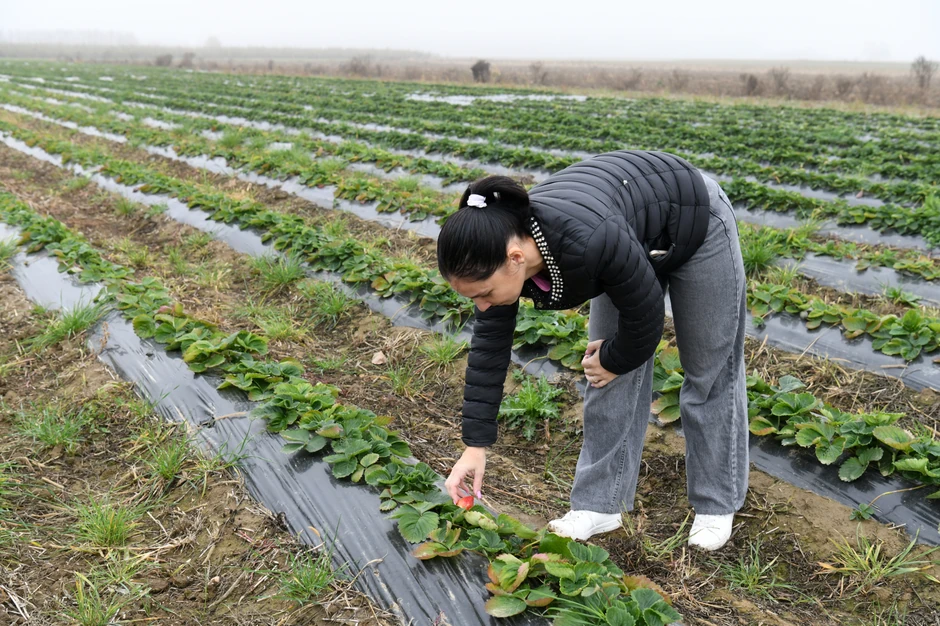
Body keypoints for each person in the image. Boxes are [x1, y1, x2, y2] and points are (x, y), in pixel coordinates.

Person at [438, 151, 749, 551]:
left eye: (482, 294)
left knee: (709, 370)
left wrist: (615, 358)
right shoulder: (499, 251)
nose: (481, 306)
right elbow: (488, 351)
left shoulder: (588, 241)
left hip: (693, 217)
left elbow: (647, 315)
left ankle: (716, 502)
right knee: (603, 371)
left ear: (516, 259)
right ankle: (600, 504)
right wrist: (474, 446)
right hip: (629, 231)